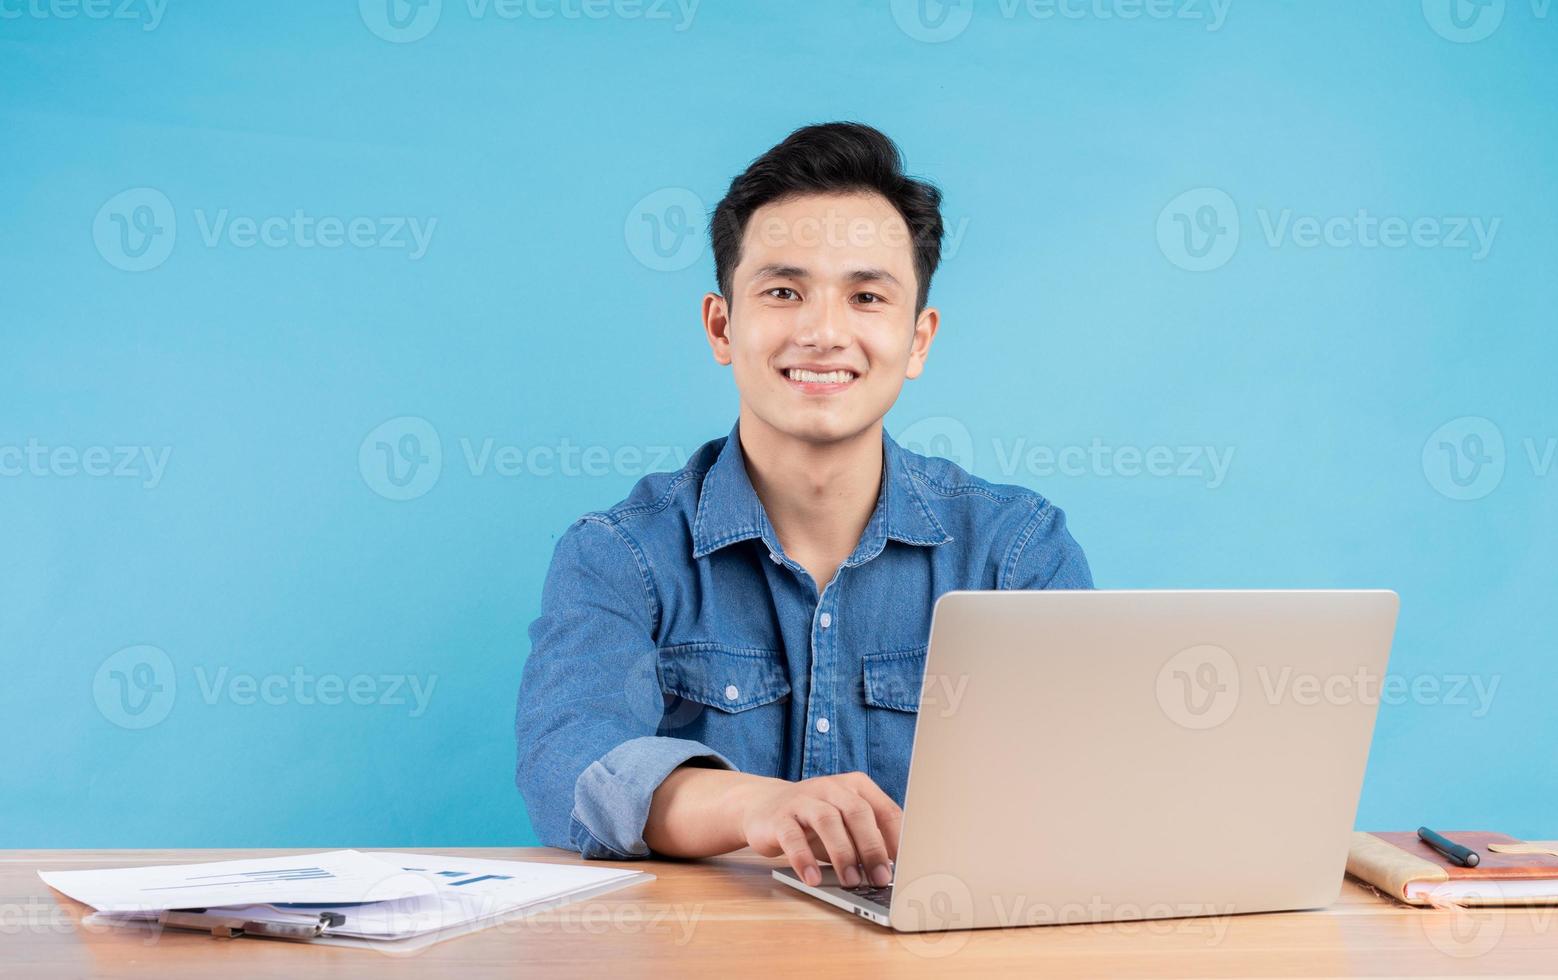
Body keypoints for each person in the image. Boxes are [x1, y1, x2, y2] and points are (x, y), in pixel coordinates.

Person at [516, 121, 1092, 891]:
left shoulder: (1016, 551)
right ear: (723, 326)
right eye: (784, 292)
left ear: (918, 340)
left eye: (865, 296)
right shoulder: (618, 555)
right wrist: (757, 807)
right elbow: (571, 761)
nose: (823, 332)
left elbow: (1084, 787)